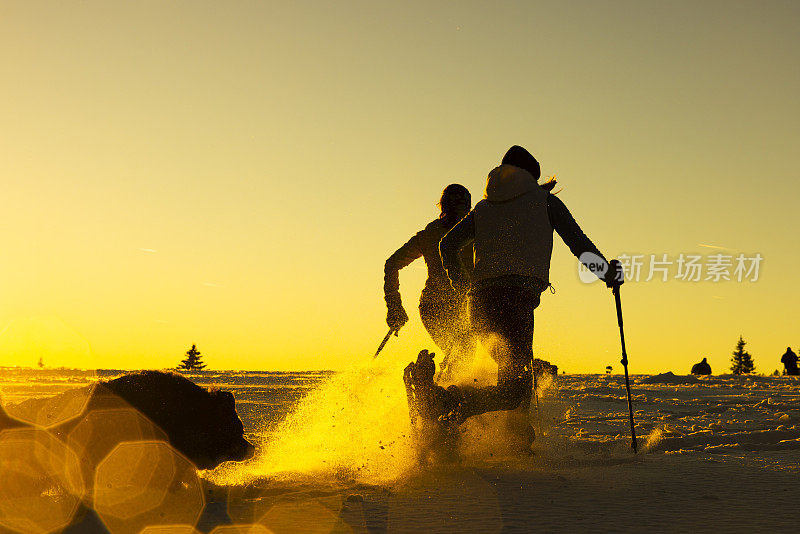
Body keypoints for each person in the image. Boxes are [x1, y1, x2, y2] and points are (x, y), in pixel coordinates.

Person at [414, 145, 622, 448]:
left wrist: (461, 283)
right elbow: (579, 245)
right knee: (514, 387)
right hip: (515, 302)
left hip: (480, 303)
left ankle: (509, 437)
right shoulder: (545, 203)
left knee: (514, 378)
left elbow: (448, 245)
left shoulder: (484, 209)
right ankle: (446, 402)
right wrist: (607, 274)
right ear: (532, 176)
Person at [384, 184, 475, 379]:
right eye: (458, 204)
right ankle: (436, 390)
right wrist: (394, 307)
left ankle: (434, 385)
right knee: (462, 354)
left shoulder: (430, 233)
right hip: (445, 307)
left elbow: (392, 264)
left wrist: (394, 307)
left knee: (460, 355)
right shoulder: (466, 231)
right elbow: (391, 264)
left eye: (464, 205)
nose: (462, 210)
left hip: (436, 307)